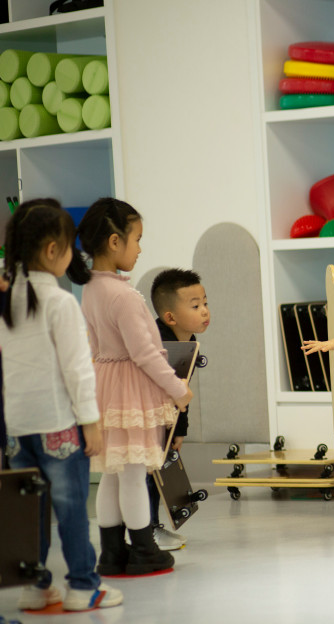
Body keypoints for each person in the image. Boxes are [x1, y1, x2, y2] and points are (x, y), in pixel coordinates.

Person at [0, 199, 122, 610]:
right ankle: (84, 586)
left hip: (17, 427)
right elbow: (77, 369)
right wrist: (91, 421)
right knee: (71, 510)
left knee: (30, 509)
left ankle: (36, 588)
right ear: (53, 250)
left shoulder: (7, 299)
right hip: (58, 425)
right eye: (70, 247)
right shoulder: (60, 303)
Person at [72, 197, 193, 576]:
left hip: (105, 387)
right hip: (129, 389)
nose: (140, 249)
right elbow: (145, 354)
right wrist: (177, 389)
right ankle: (144, 549)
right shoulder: (123, 296)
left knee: (112, 472)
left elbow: (96, 347)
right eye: (136, 239)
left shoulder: (91, 289)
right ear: (114, 242)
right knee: (134, 474)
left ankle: (111, 552)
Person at [147, 268, 210, 550]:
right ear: (170, 317)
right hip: (144, 416)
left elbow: (181, 391)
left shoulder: (189, 341)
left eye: (205, 303)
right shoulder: (157, 342)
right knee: (147, 475)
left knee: (157, 473)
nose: (204, 311)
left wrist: (179, 430)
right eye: (195, 306)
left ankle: (152, 527)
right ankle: (145, 531)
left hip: (164, 417)